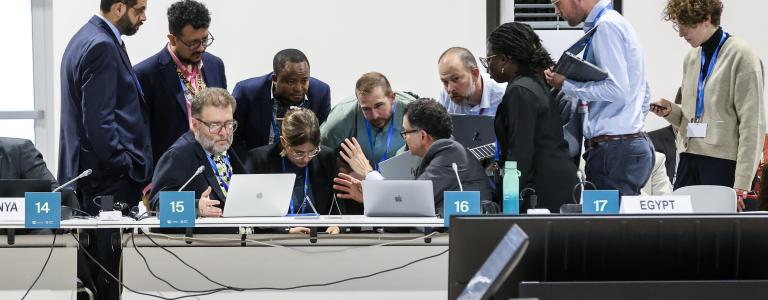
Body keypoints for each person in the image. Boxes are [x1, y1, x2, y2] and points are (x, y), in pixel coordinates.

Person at [59, 1, 149, 298]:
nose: (144, 18)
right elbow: (98, 120)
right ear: (120, 8)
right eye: (140, 10)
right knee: (106, 272)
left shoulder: (85, 37)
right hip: (105, 180)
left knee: (97, 269)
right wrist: (122, 163)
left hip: (90, 175)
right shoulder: (102, 46)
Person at [651, 0, 764, 210]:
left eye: (685, 24)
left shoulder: (742, 55)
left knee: (719, 236)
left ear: (707, 19)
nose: (681, 33)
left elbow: (753, 124)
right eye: (678, 25)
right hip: (689, 157)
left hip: (722, 163)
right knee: (685, 233)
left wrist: (742, 184)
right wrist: (671, 111)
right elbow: (693, 117)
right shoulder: (692, 57)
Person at [544, 0, 654, 196]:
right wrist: (629, 125)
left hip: (615, 150)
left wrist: (566, 85)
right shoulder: (618, 23)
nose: (556, 11)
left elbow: (616, 90)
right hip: (626, 144)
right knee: (620, 224)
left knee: (609, 226)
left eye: (557, 2)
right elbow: (643, 91)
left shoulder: (606, 27)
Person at [334, 98, 491, 216]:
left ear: (422, 135)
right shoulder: (442, 154)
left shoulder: (449, 152)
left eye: (405, 132)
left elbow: (412, 200)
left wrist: (368, 172)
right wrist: (370, 196)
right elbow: (406, 202)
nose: (404, 139)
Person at [484, 22, 579, 212]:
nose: (488, 67)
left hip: (542, 188)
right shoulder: (535, 82)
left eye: (489, 59)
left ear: (504, 59)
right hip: (555, 180)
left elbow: (520, 151)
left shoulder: (520, 90)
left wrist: (509, 200)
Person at [135, 0, 226, 166]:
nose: (201, 48)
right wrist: (148, 185)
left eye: (205, 40)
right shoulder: (146, 74)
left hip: (214, 168)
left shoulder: (215, 65)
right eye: (193, 43)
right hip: (171, 173)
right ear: (173, 39)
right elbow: (139, 136)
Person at [150, 88, 246, 219]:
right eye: (215, 125)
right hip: (209, 238)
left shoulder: (226, 148)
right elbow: (158, 206)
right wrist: (195, 207)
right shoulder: (178, 156)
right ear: (195, 125)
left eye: (229, 124)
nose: (224, 133)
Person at [246, 108, 341, 234]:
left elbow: (337, 205)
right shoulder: (259, 160)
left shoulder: (326, 157)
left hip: (319, 239)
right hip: (274, 242)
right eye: (298, 152)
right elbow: (253, 213)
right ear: (284, 142)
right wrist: (286, 231)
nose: (306, 159)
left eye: (312, 151)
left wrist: (338, 226)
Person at [232, 49, 331, 156]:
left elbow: (320, 139)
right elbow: (234, 141)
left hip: (302, 162)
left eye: (304, 81)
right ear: (275, 78)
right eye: (291, 82)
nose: (298, 88)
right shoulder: (247, 93)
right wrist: (248, 167)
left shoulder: (320, 93)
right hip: (258, 164)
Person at [320, 72, 416, 177]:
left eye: (379, 105)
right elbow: (319, 154)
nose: (374, 116)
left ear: (392, 98)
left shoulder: (414, 113)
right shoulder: (341, 119)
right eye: (366, 109)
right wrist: (346, 171)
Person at [437, 47, 507, 116]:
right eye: (444, 81)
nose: (450, 89)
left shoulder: (504, 96)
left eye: (456, 79)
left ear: (475, 74)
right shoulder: (445, 93)